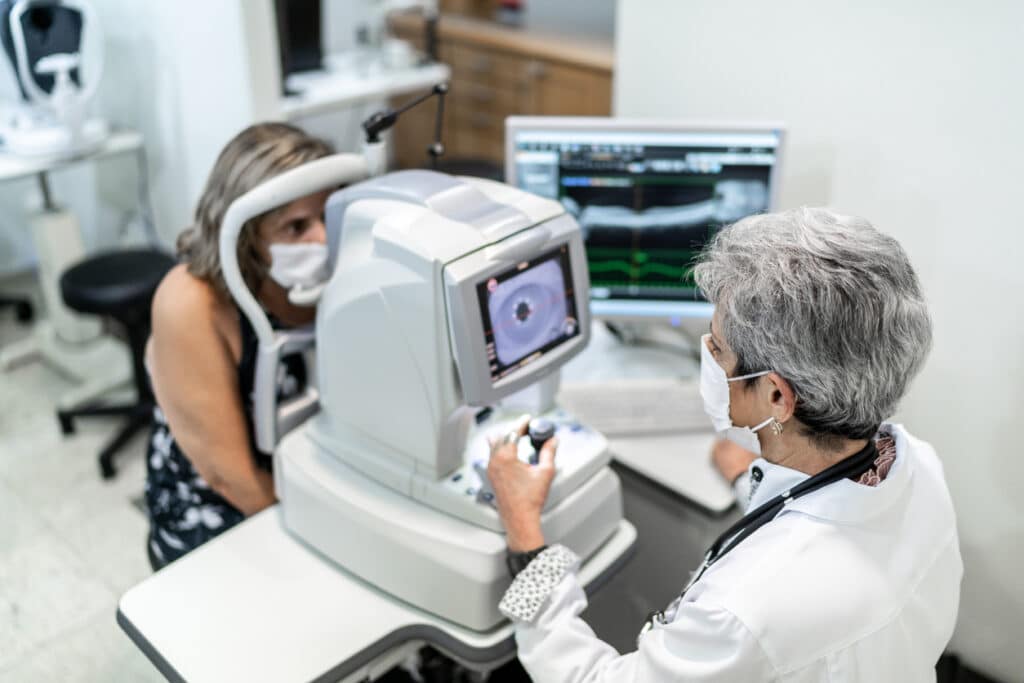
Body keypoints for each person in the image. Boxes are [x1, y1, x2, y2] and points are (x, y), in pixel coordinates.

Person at [487, 207, 963, 682]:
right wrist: (749, 478)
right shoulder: (919, 466)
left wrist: (526, 535)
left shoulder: (741, 612)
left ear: (777, 396)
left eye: (716, 348)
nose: (709, 356)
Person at [144, 122, 335, 568]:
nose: (322, 239)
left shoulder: (336, 273)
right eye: (296, 226)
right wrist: (326, 546)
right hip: (219, 509)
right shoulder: (192, 302)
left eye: (328, 216)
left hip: (311, 475)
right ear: (247, 238)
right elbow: (232, 479)